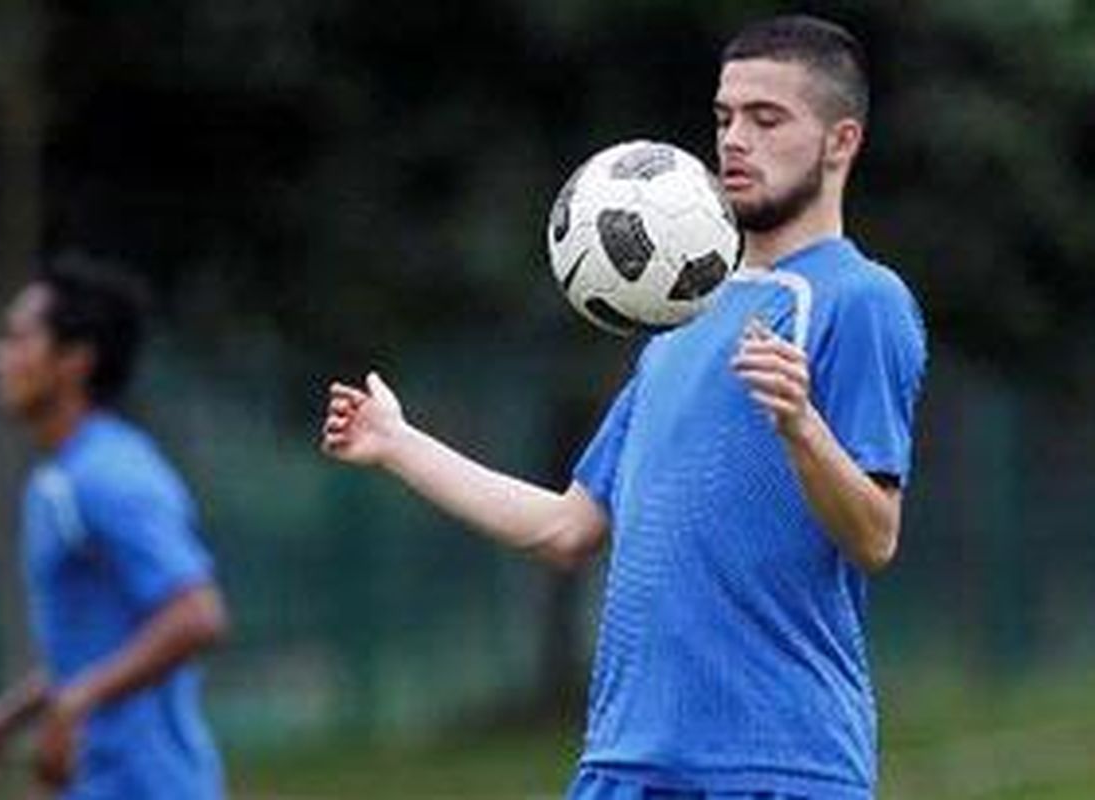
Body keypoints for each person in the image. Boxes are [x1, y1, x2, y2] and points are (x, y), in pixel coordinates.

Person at [321, 13, 926, 800]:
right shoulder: (682, 316)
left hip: (779, 766)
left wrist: (802, 428)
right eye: (724, 117)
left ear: (840, 142)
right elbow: (566, 528)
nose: (734, 139)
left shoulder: (861, 300)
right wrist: (399, 445)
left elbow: (875, 536)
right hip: (623, 765)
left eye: (766, 118)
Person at [0, 259, 229, 799]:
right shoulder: (58, 476)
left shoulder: (113, 474)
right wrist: (9, 719)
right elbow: (98, 645)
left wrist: (77, 703)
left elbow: (197, 615)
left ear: (74, 360)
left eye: (19, 339)